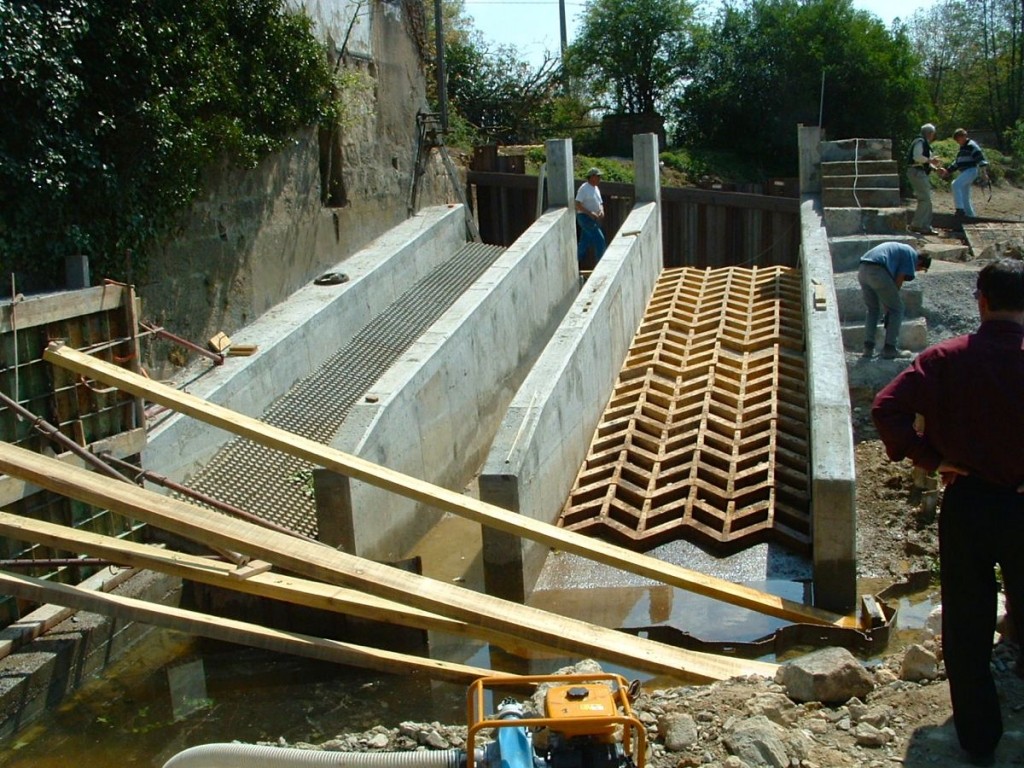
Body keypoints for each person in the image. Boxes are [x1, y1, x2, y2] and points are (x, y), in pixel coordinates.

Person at [872, 258, 1024, 765]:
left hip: (970, 503)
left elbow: (886, 408)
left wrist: (931, 459)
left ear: (980, 299)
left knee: (967, 620)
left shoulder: (944, 358)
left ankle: (979, 737)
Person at [857, 241, 931, 359]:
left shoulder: (901, 251)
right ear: (920, 262)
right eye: (920, 269)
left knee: (873, 310)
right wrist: (890, 305)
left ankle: (868, 349)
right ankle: (890, 349)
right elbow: (899, 279)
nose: (916, 271)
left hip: (863, 270)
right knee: (897, 309)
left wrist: (888, 303)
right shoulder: (911, 255)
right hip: (878, 270)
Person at [906, 123, 946, 235]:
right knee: (925, 199)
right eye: (933, 133)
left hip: (918, 172)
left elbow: (923, 162)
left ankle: (921, 225)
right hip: (917, 172)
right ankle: (918, 225)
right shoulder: (920, 142)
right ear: (930, 133)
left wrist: (935, 168)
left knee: (925, 199)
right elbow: (917, 157)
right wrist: (931, 160)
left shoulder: (922, 142)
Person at [945, 128, 989, 220]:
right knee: (965, 196)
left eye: (958, 139)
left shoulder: (971, 145)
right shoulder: (963, 147)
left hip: (971, 170)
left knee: (955, 184)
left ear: (964, 136)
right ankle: (970, 216)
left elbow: (980, 159)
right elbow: (957, 162)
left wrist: (984, 174)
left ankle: (960, 210)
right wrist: (948, 171)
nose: (958, 141)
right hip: (965, 172)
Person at [575, 167, 606, 264]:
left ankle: (575, 261)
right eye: (598, 176)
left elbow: (600, 203)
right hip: (585, 218)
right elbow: (577, 204)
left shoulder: (596, 188)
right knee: (600, 240)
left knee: (584, 242)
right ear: (592, 177)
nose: (600, 178)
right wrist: (589, 213)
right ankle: (601, 264)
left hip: (593, 219)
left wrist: (601, 210)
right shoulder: (584, 188)